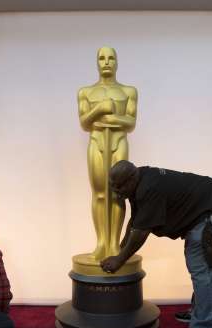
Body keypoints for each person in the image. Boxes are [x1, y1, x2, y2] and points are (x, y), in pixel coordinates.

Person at [100, 160, 212, 328]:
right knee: (199, 265)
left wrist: (120, 260)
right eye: (112, 186)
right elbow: (136, 221)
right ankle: (201, 312)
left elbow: (141, 233)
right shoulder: (139, 180)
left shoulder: (149, 188)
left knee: (204, 270)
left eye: (119, 187)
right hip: (205, 204)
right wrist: (119, 250)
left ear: (131, 179)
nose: (116, 192)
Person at [77, 46, 138, 260]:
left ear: (117, 62)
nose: (106, 62)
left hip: (119, 141)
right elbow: (85, 123)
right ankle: (101, 242)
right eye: (102, 58)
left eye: (111, 58)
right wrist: (100, 109)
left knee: (117, 193)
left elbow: (131, 123)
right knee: (99, 193)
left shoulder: (128, 91)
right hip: (97, 142)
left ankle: (114, 244)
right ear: (97, 62)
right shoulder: (85, 92)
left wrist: (114, 119)